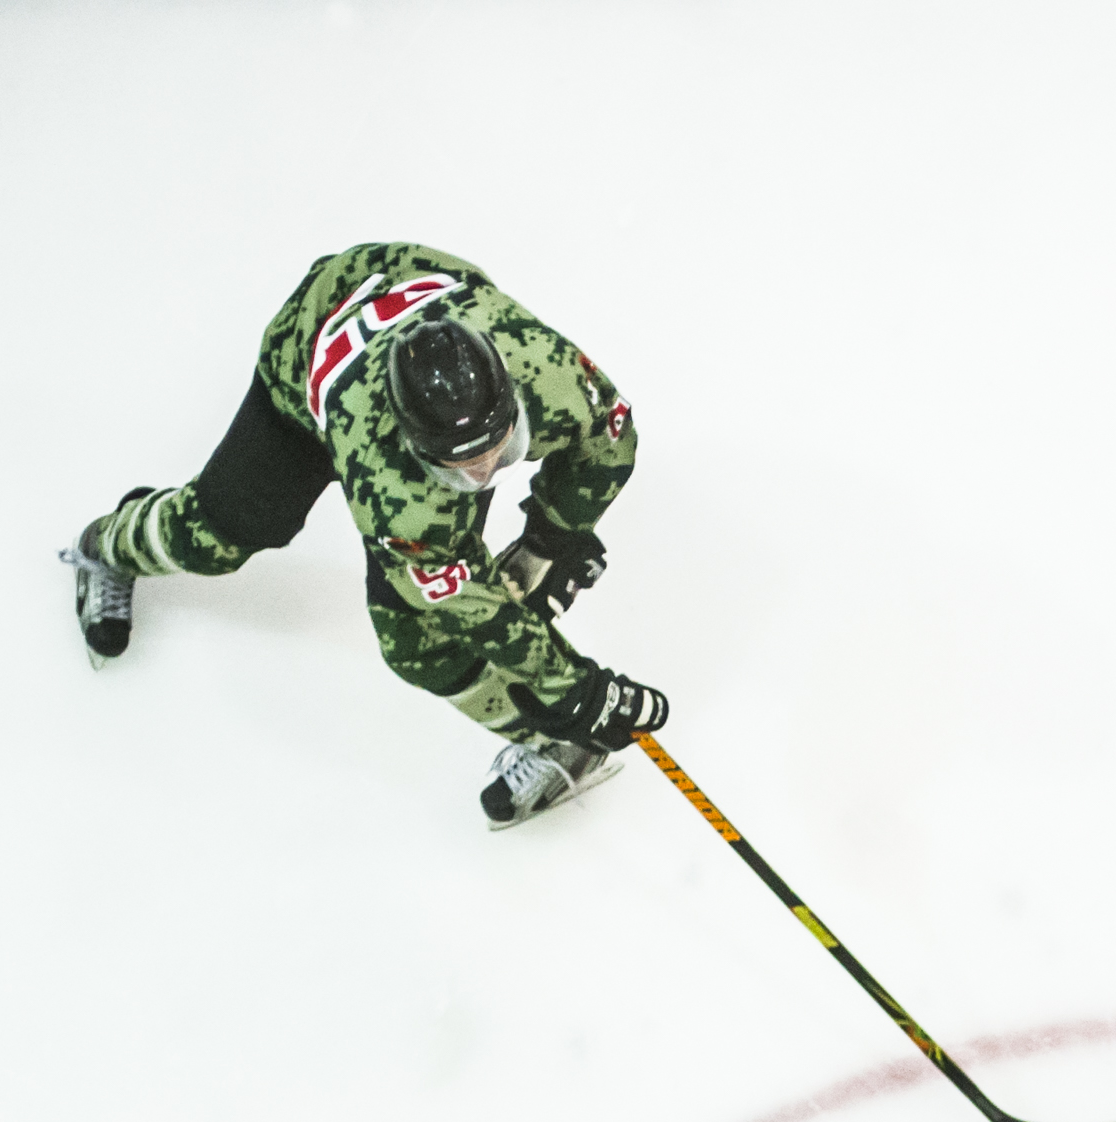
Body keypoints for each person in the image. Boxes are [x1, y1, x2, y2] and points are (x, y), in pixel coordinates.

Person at [60, 241, 668, 827]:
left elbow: (608, 438)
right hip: (308, 350)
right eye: (460, 464)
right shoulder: (399, 493)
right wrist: (574, 687)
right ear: (414, 442)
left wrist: (552, 539)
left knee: (426, 632)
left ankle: (553, 741)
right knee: (226, 541)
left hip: (399, 282)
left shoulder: (546, 367)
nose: (485, 471)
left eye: (496, 445)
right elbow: (460, 603)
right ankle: (107, 545)